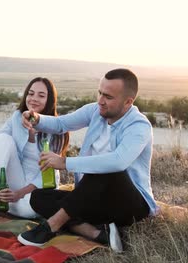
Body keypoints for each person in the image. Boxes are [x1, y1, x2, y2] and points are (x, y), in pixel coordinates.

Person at [17, 69, 158, 252]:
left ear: (128, 102)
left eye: (108, 96)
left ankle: (51, 226)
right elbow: (61, 124)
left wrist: (65, 163)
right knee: (39, 197)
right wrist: (36, 119)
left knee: (106, 169)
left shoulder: (139, 126)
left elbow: (117, 161)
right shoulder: (96, 111)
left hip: (131, 206)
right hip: (93, 197)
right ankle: (97, 233)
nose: (100, 100)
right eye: (100, 93)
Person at [0, 77, 69, 222]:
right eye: (31, 93)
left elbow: (48, 173)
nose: (33, 99)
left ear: (50, 100)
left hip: (38, 187)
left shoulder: (57, 128)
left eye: (41, 95)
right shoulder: (17, 117)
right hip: (16, 177)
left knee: (27, 211)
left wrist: (19, 194)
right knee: (4, 139)